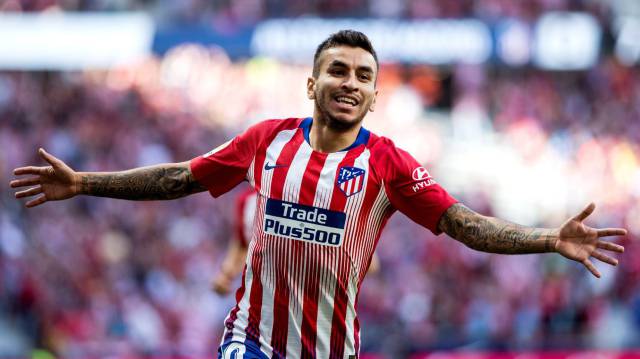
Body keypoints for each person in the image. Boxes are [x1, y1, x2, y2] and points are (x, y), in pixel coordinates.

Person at [10, 30, 626, 359]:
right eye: (338, 70)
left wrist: (548, 237)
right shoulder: (266, 141)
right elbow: (179, 179)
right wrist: (84, 182)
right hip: (248, 341)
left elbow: (463, 224)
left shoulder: (388, 164)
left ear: (374, 96)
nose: (349, 83)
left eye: (363, 76)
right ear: (311, 81)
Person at [212, 187, 380, 296]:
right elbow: (243, 243)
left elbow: (371, 265)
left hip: (314, 309)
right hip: (261, 308)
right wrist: (226, 274)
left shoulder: (321, 197)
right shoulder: (247, 200)